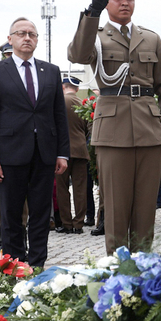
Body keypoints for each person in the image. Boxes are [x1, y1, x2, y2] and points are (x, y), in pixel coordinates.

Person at [67, 0, 161, 253]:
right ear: (107, 2)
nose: (125, 2)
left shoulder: (151, 38)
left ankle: (142, 269)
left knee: (145, 209)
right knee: (115, 208)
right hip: (112, 131)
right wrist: (91, 13)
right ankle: (117, 270)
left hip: (149, 129)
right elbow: (77, 54)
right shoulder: (96, 35)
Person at [0, 18, 70, 268]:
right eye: (21, 33)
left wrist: (62, 152)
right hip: (10, 154)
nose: (27, 38)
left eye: (32, 34)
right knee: (10, 214)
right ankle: (14, 265)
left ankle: (37, 264)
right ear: (10, 39)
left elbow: (58, 116)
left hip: (44, 153)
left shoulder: (50, 71)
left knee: (41, 213)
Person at [56, 76, 89, 234]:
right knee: (80, 189)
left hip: (61, 152)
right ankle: (79, 224)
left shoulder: (57, 102)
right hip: (81, 150)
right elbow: (90, 127)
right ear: (76, 88)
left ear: (63, 87)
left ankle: (66, 223)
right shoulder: (85, 104)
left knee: (62, 189)